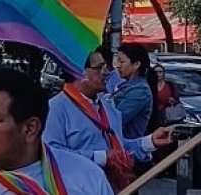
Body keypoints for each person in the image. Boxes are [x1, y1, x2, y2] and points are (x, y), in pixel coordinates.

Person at [42, 50, 173, 191]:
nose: (106, 72)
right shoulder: (56, 108)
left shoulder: (107, 107)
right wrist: (102, 157)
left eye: (106, 67)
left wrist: (150, 142)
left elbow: (118, 148)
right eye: (99, 68)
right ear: (78, 72)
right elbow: (52, 155)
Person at [111, 43, 155, 140]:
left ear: (136, 64)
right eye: (117, 61)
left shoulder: (140, 91)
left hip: (129, 146)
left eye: (122, 62)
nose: (118, 66)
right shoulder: (125, 86)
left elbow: (117, 119)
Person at [151, 63, 183, 128]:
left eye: (160, 72)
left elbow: (177, 100)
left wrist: (173, 101)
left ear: (163, 73)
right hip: (152, 118)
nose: (158, 74)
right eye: (156, 72)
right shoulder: (149, 86)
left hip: (167, 118)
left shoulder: (170, 86)